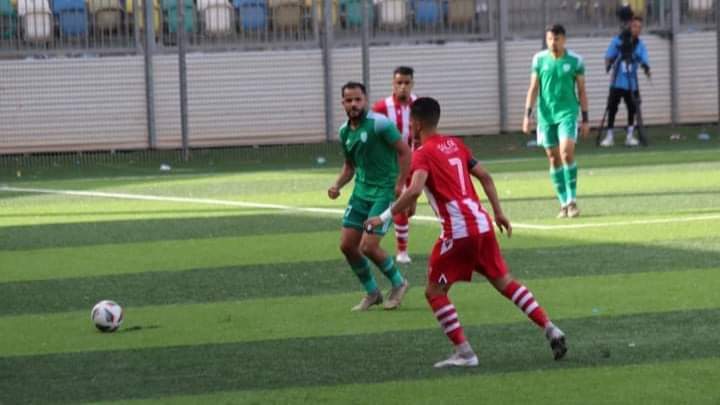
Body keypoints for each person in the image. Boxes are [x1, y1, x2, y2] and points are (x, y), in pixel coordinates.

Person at [365, 97, 567, 368]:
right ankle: (551, 327)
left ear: (415, 123)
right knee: (504, 281)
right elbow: (485, 176)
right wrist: (499, 213)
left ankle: (465, 353)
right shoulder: (456, 144)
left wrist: (384, 216)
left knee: (434, 291)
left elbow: (414, 189)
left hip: (458, 231)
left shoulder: (422, 153)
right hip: (482, 225)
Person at [328, 81, 412, 311]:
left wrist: (400, 183)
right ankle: (372, 292)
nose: (353, 104)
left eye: (358, 99)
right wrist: (336, 185)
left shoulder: (380, 124)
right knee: (347, 246)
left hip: (383, 192)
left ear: (365, 100)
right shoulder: (344, 131)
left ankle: (399, 283)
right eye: (349, 100)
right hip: (360, 193)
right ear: (342, 103)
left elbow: (405, 152)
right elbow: (349, 166)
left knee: (368, 246)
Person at [523, 24, 589, 219]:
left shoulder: (576, 61)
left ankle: (572, 201)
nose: (553, 42)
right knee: (553, 158)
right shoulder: (539, 59)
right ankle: (563, 204)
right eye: (550, 39)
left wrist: (585, 119)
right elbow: (533, 88)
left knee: (566, 153)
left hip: (568, 114)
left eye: (557, 39)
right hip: (545, 117)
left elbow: (582, 91)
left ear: (564, 40)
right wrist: (527, 116)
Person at [372, 66, 418, 264]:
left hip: (416, 162)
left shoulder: (418, 104)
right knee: (400, 206)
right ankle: (402, 251)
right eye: (399, 83)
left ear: (412, 84)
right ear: (393, 84)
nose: (403, 87)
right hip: (392, 166)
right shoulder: (382, 107)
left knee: (410, 208)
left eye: (407, 83)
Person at [600, 16, 651, 147]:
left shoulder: (640, 45)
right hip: (617, 81)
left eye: (640, 27)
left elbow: (644, 61)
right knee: (612, 108)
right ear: (629, 26)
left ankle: (630, 135)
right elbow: (608, 57)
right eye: (634, 26)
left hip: (631, 82)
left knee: (632, 108)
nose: (637, 29)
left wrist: (646, 68)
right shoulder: (618, 41)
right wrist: (612, 61)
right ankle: (609, 136)